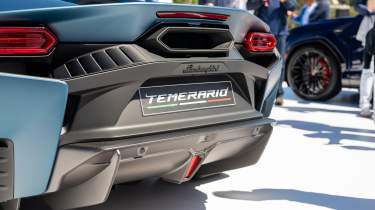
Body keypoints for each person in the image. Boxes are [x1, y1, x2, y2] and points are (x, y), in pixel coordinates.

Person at [247, 0, 297, 106]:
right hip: (262, 32)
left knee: (280, 64)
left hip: (280, 33)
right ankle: (258, 94)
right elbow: (249, 5)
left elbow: (292, 6)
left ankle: (279, 94)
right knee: (260, 63)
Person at [356, 0, 375, 117]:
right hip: (370, 28)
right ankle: (364, 105)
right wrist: (368, 10)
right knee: (367, 70)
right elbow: (358, 4)